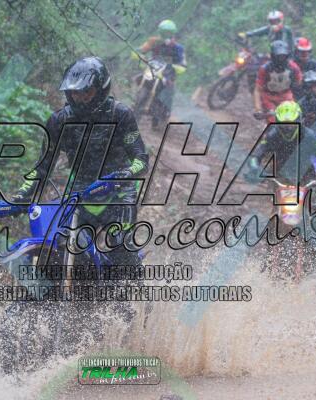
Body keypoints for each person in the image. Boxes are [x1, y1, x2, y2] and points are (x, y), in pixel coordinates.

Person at [13, 56, 149, 265]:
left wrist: (126, 174)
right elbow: (43, 167)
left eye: (86, 92)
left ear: (101, 89)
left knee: (122, 247)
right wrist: (22, 194)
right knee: (62, 243)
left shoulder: (121, 114)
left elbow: (141, 159)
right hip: (80, 191)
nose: (80, 98)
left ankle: (130, 280)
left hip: (118, 191)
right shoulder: (59, 121)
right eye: (75, 92)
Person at [247, 100, 316, 186]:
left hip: (308, 176)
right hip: (280, 174)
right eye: (284, 124)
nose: (287, 128)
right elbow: (255, 155)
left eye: (291, 124)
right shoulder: (272, 136)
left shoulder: (309, 135)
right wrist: (255, 168)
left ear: (299, 120)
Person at [134, 19, 187, 126]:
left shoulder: (177, 47)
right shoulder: (153, 41)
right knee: (139, 78)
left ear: (172, 34)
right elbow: (142, 49)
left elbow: (182, 62)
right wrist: (139, 54)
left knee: (168, 88)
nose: (165, 36)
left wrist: (178, 67)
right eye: (163, 33)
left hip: (168, 72)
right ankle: (135, 108)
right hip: (153, 68)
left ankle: (163, 113)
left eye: (167, 33)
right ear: (160, 32)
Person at [253, 40, 302, 123]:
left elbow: (299, 82)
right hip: (269, 97)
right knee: (272, 120)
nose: (281, 59)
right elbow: (257, 90)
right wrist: (258, 109)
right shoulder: (265, 69)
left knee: (291, 118)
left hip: (286, 95)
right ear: (273, 56)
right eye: (278, 57)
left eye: (283, 56)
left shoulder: (293, 67)